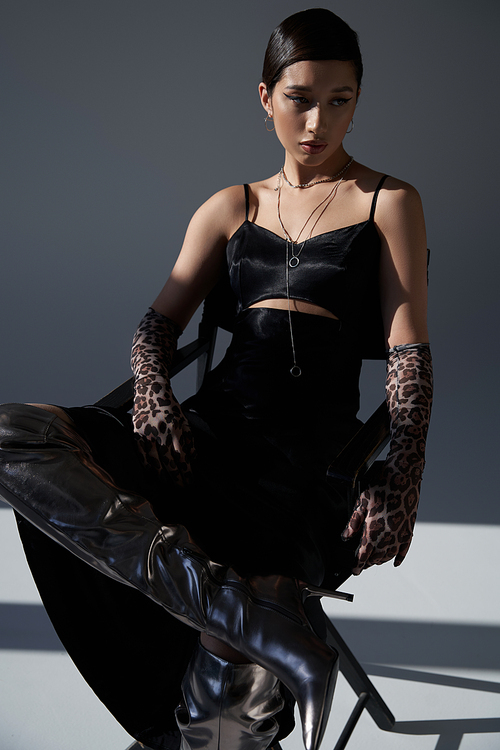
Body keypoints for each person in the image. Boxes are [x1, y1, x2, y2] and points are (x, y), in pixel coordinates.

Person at [0, 8, 433, 750]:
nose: (318, 121)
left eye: (341, 100)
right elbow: (156, 327)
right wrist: (152, 391)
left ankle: (232, 623)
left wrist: (403, 475)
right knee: (12, 434)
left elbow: (410, 358)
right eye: (300, 98)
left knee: (238, 648)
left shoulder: (388, 203)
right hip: (207, 438)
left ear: (358, 100)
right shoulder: (232, 206)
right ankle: (232, 603)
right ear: (265, 97)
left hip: (305, 470)